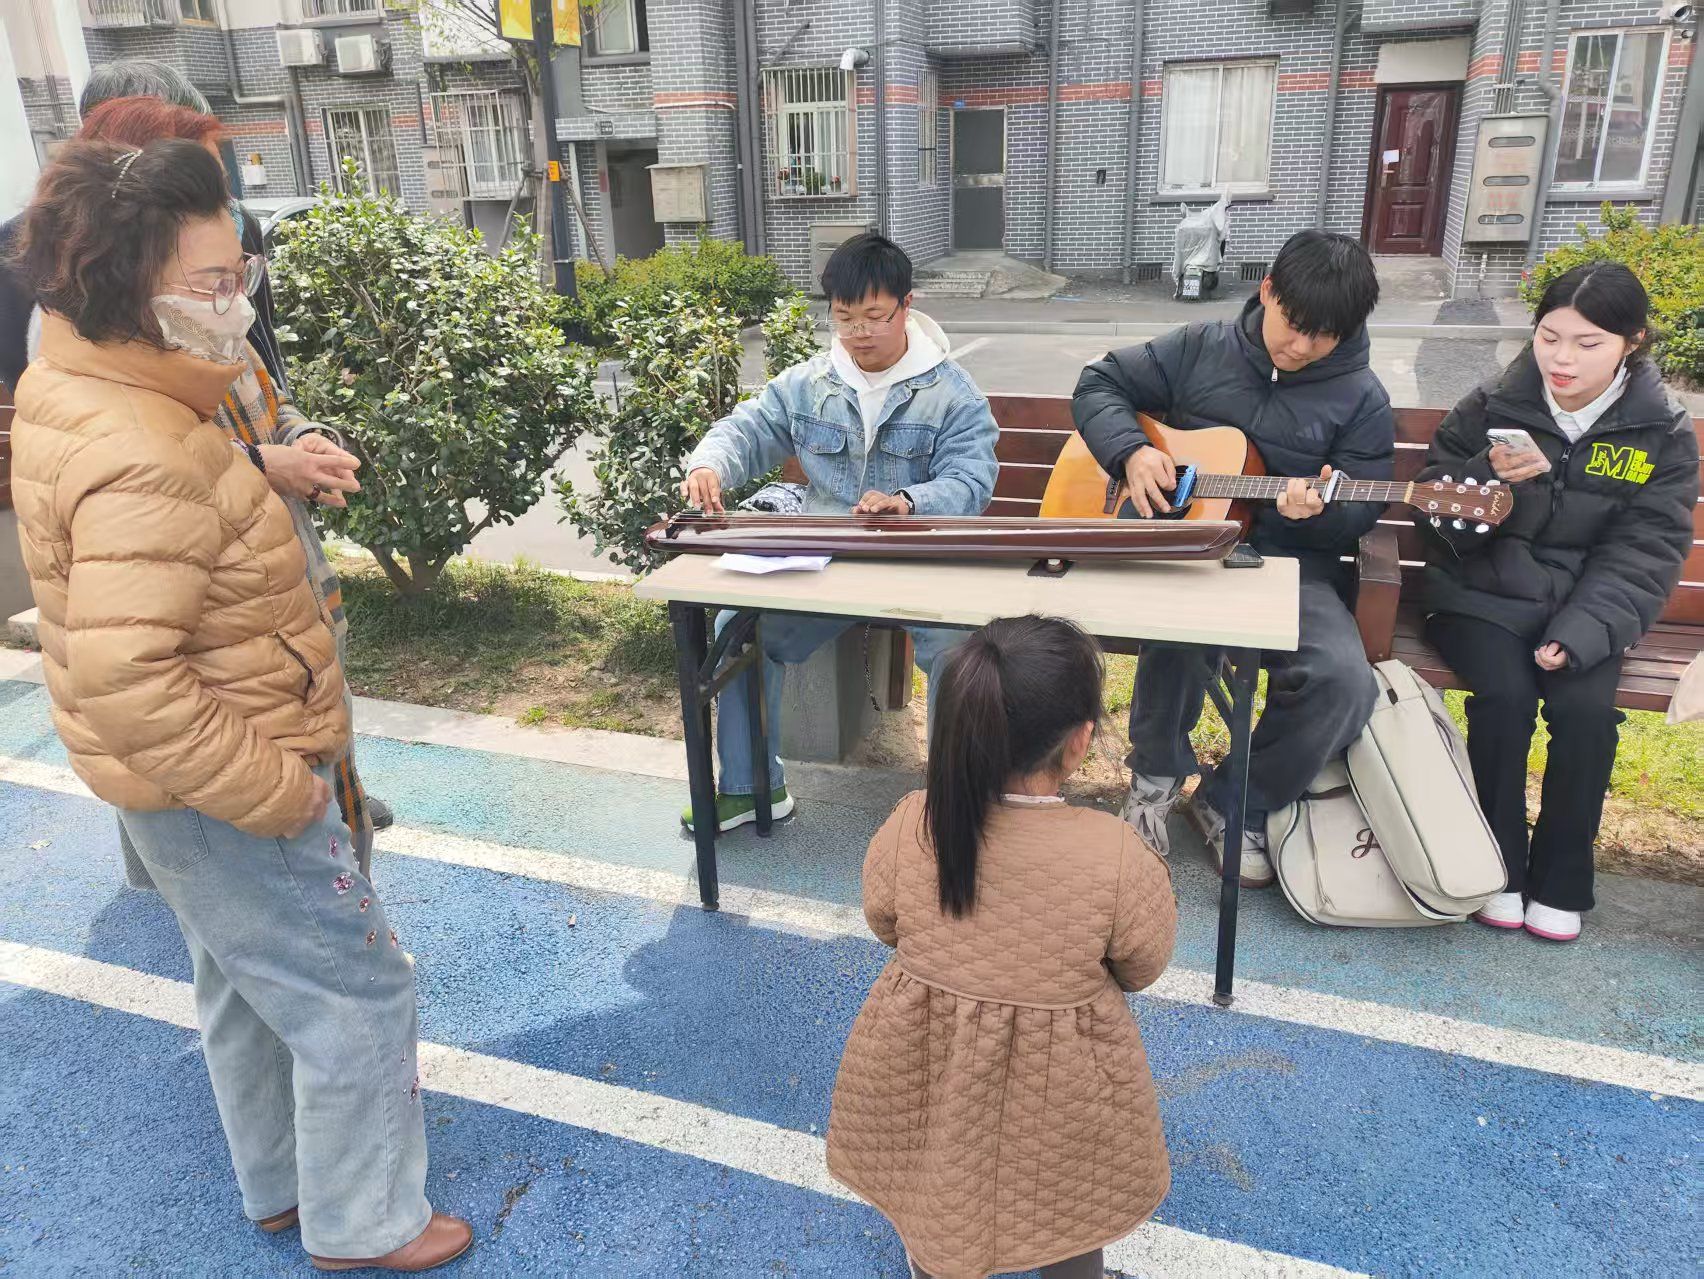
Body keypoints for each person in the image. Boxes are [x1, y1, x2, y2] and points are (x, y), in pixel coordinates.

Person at [8, 138, 469, 1271]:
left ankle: (281, 1184)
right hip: (231, 777)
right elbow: (131, 678)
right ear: (132, 288)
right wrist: (278, 791)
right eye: (215, 283)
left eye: (242, 275)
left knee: (243, 979)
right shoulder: (141, 445)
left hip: (184, 785)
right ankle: (367, 1221)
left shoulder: (99, 383)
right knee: (359, 988)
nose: (240, 305)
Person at [68, 95, 382, 874]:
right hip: (239, 716)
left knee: (324, 890)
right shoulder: (104, 371)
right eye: (199, 184)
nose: (224, 204)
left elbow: (270, 399)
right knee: (307, 926)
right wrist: (283, 796)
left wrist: (301, 440)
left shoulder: (208, 317)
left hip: (288, 640)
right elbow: (131, 668)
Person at [826, 615, 1176, 1279]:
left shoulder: (914, 822)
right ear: (1079, 741)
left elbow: (884, 919)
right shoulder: (1114, 854)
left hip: (929, 1060)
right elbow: (1143, 963)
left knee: (939, 1184)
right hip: (1062, 1086)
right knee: (1068, 1204)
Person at [1072, 229, 1393, 887]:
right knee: (1179, 622)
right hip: (1188, 549)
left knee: (1343, 682)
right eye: (1294, 325)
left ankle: (1235, 800)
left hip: (1291, 568)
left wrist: (1321, 511)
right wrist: (1131, 451)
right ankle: (1154, 781)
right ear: (1267, 290)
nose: (1300, 346)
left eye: (1323, 337)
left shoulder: (1362, 398)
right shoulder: (1199, 347)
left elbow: (1360, 506)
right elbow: (1098, 383)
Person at [678, 233, 999, 832]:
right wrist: (709, 464)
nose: (859, 332)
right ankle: (751, 788)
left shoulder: (953, 394)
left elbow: (972, 481)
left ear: (907, 305)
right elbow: (747, 430)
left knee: (963, 654)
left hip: (921, 559)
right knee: (738, 628)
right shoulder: (808, 384)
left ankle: (954, 805)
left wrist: (910, 501)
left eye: (875, 316)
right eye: (845, 317)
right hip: (825, 560)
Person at [1417, 261, 1698, 943]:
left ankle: (1562, 880)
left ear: (1632, 341)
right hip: (1481, 596)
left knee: (1585, 713)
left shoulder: (1660, 431)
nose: (1562, 359)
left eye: (1588, 343)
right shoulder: (1491, 405)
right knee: (1505, 700)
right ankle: (1498, 868)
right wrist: (1488, 482)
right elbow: (1434, 517)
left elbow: (1646, 549)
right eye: (1549, 337)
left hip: (1589, 607)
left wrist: (1580, 632)